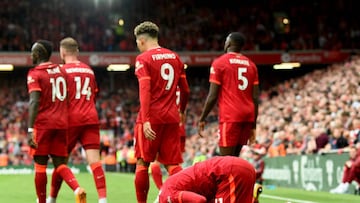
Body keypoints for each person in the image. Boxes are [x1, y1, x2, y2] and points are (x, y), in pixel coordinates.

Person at [133, 21, 190, 203]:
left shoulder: (143, 59)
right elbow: (186, 90)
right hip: (172, 117)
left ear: (142, 41)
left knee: (143, 162)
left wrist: (147, 119)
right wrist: (182, 111)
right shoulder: (175, 57)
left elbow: (145, 90)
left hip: (151, 118)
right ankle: (188, 197)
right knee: (173, 165)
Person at [46, 37, 107, 203]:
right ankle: (103, 200)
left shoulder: (61, 71)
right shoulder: (89, 70)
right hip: (90, 118)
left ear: (62, 52)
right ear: (77, 51)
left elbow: (57, 99)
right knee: (95, 162)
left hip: (70, 121)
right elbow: (94, 95)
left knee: (60, 163)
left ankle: (51, 199)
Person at [26, 40, 86, 203]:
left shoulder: (35, 74)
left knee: (40, 166)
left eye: (33, 52)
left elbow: (34, 102)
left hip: (43, 125)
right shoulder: (61, 71)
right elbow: (67, 98)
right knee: (60, 164)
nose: (31, 55)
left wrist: (30, 130)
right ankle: (77, 188)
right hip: (61, 124)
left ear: (38, 54)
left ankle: (42, 201)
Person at [198, 32, 260, 156]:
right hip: (247, 116)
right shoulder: (251, 65)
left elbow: (213, 96)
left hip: (231, 115)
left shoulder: (220, 63)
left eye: (226, 40)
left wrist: (202, 118)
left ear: (229, 43)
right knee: (234, 159)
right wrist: (253, 126)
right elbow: (255, 98)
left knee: (226, 160)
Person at [156, 156, 258, 203]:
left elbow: (199, 200)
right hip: (240, 168)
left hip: (228, 172)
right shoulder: (167, 188)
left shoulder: (167, 196)